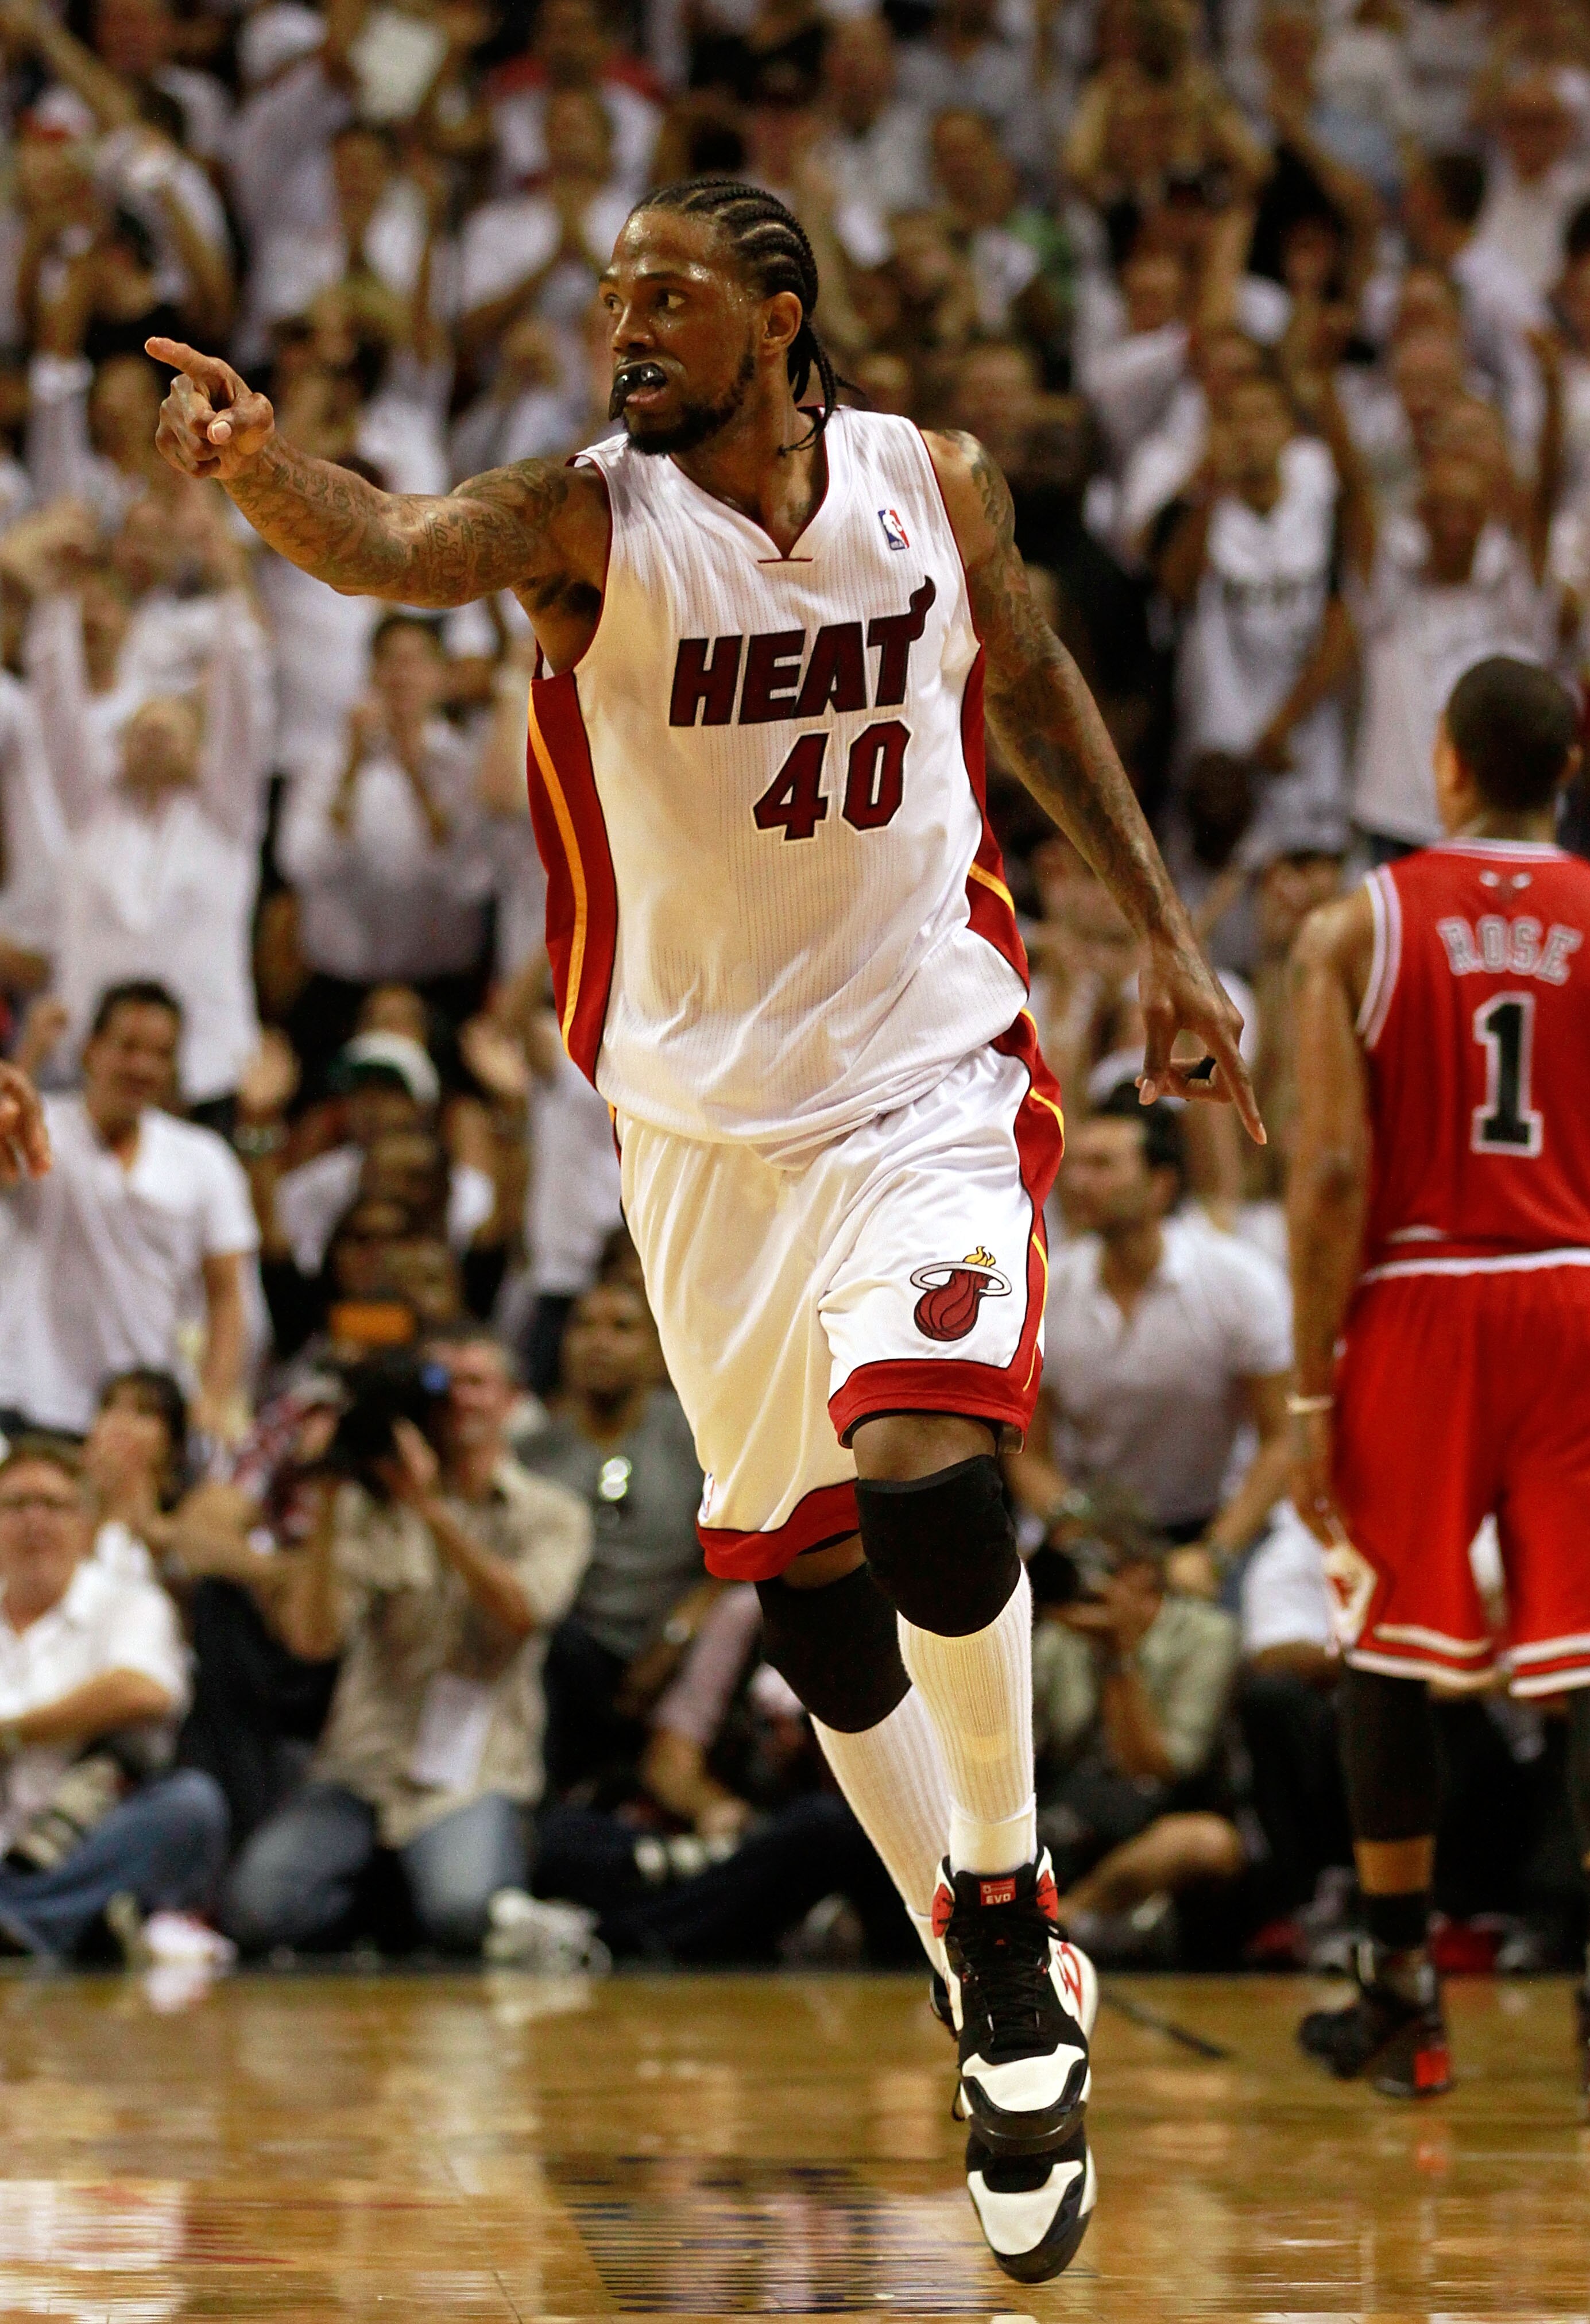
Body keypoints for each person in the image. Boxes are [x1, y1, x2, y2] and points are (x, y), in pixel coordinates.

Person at [148, 176, 1260, 2281]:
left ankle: (1000, 1927)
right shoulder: (589, 518)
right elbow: (393, 543)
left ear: (779, 314)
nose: (623, 327)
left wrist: (1167, 933)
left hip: (923, 1066)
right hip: (696, 1127)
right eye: (606, 297)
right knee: (808, 1592)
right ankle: (987, 1961)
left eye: (663, 293)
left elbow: (1028, 679)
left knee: (926, 1462)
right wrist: (260, 466)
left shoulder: (934, 482)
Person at [1287, 656, 1590, 2099]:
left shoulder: (1355, 925)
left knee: (1388, 1652)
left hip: (1419, 1297)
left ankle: (1400, 1998)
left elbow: (1330, 1174)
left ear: (1445, 766)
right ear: (1567, 770)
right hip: (1574, 1287)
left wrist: (1307, 1389)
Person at [220, 1333, 591, 1957]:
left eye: (477, 1382)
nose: (459, 1399)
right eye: (444, 1385)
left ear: (513, 1400)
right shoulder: (368, 1507)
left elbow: (522, 1612)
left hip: (472, 1773)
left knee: (461, 1914)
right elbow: (312, 1641)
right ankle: (389, 1902)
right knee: (255, 1912)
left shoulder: (550, 1512)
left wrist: (431, 1509)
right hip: (362, 1765)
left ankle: (413, 1897)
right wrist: (328, 1500)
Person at [1013, 1089, 1294, 1582]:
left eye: (1102, 1165)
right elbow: (1025, 1450)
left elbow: (1283, 1439)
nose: (1077, 1182)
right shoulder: (1046, 1291)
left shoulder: (1240, 1282)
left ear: (1160, 1185)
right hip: (1092, 1530)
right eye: (1075, 1164)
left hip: (1218, 1525)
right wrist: (1076, 1528)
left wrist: (1214, 1555)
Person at [0, 1436, 228, 1959]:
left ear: (86, 1522)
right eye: (16, 1505)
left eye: (53, 1505)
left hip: (84, 1839)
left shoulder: (129, 1601)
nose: (35, 1521)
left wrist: (12, 1732)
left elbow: (144, 1690)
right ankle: (53, 1921)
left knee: (191, 1805)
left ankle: (26, 1916)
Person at [0, 982, 258, 1439]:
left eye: (160, 1054)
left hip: (145, 1412)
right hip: (33, 1399)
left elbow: (226, 1293)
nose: (142, 1066)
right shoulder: (46, 1130)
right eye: (128, 1047)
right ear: (90, 1050)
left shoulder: (204, 1158)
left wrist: (215, 1399)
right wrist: (28, 1057)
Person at [523, 1275, 710, 1794]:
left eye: (622, 1327)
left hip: (675, 1646)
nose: (598, 1342)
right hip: (567, 1653)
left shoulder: (697, 1436)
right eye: (583, 1325)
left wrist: (680, 1630)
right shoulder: (531, 1453)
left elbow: (742, 1558)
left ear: (657, 1348)